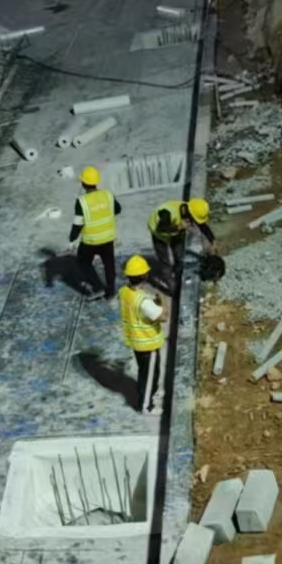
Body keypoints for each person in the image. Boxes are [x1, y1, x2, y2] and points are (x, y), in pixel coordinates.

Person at [119, 256, 167, 413]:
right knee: (150, 375)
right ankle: (147, 405)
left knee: (145, 371)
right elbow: (163, 317)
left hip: (136, 341)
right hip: (148, 344)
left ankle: (150, 393)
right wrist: (163, 300)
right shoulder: (144, 302)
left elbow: (137, 304)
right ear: (145, 276)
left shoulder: (124, 292)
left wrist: (149, 299)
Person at [68, 166, 122, 301]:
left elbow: (77, 224)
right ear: (96, 182)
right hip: (108, 238)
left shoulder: (82, 202)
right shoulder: (107, 195)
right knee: (109, 265)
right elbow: (117, 209)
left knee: (83, 263)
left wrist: (72, 239)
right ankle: (111, 292)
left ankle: (98, 288)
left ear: (83, 183)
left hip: (91, 241)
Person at [147, 197, 214, 281]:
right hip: (159, 233)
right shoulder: (168, 212)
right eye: (193, 219)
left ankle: (178, 275)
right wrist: (179, 227)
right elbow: (162, 228)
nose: (193, 222)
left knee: (179, 255)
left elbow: (202, 225)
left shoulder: (188, 210)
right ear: (189, 213)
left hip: (175, 230)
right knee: (165, 261)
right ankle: (169, 281)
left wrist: (212, 241)